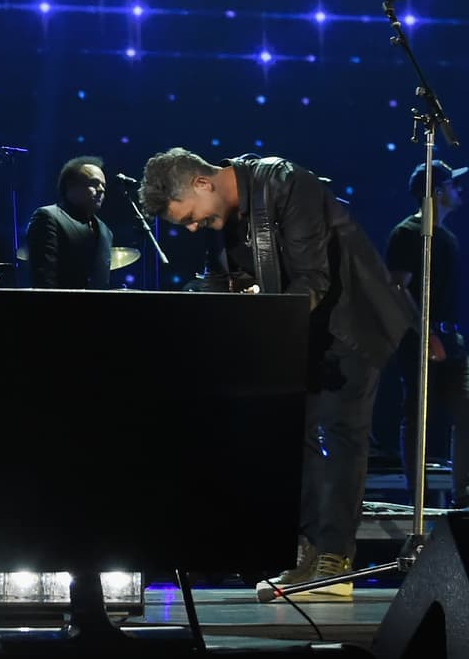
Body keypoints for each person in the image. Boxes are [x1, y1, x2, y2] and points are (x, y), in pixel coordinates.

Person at [139, 148, 412, 601]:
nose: (191, 227)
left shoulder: (286, 183)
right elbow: (226, 279)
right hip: (299, 333)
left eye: (189, 216)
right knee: (290, 436)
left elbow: (312, 279)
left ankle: (335, 559)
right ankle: (305, 554)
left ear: (202, 184)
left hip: (350, 325)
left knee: (340, 432)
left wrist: (262, 324)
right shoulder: (222, 216)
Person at [385, 159, 469, 507]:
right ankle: (416, 495)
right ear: (437, 192)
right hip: (420, 339)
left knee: (465, 408)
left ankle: (461, 493)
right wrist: (426, 334)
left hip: (451, 339)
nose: (458, 190)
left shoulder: (446, 236)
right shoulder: (407, 233)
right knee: (418, 413)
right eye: (451, 185)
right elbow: (398, 288)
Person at [24, 155, 113, 289]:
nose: (101, 189)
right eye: (94, 183)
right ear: (71, 186)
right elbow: (44, 278)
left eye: (103, 185)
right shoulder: (48, 217)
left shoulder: (105, 231)